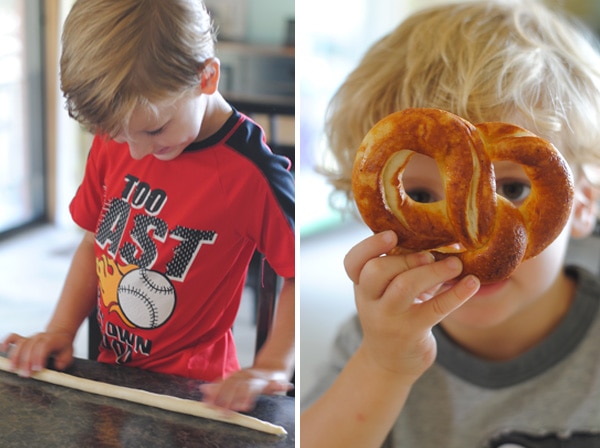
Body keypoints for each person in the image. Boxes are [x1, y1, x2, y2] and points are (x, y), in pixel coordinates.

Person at [301, 0, 600, 446]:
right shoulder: (377, 339)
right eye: (420, 197)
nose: (464, 245)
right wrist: (384, 366)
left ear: (582, 203)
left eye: (512, 190)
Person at [1, 0, 295, 412]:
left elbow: (297, 270)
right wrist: (61, 329)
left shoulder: (250, 173)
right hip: (113, 377)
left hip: (194, 396)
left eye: (154, 130)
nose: (137, 151)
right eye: (120, 136)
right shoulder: (119, 133)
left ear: (206, 77)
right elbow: (93, 243)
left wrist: (272, 364)